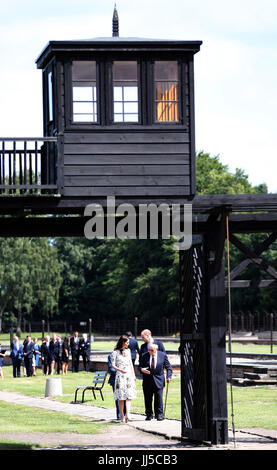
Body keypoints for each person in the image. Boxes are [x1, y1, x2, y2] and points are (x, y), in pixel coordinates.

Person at [139, 343, 172, 421]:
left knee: (159, 398)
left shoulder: (162, 355)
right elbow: (139, 366)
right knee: (148, 398)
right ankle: (149, 414)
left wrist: (168, 376)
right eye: (149, 350)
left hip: (159, 380)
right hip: (147, 381)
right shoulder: (144, 355)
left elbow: (168, 367)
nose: (150, 351)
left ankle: (159, 415)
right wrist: (141, 369)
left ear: (156, 350)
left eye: (152, 350)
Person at [111, 335, 137, 423]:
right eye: (127, 342)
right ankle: (122, 416)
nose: (128, 344)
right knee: (121, 397)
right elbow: (112, 365)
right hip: (120, 377)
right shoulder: (115, 352)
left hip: (129, 376)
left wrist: (133, 376)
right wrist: (120, 370)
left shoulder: (129, 351)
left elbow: (131, 364)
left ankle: (128, 415)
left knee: (129, 396)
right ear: (123, 342)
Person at [107, 352, 121, 420]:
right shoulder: (111, 356)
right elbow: (110, 368)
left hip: (125, 379)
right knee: (117, 397)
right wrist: (119, 372)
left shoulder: (126, 354)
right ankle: (119, 415)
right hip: (115, 379)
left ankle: (125, 414)